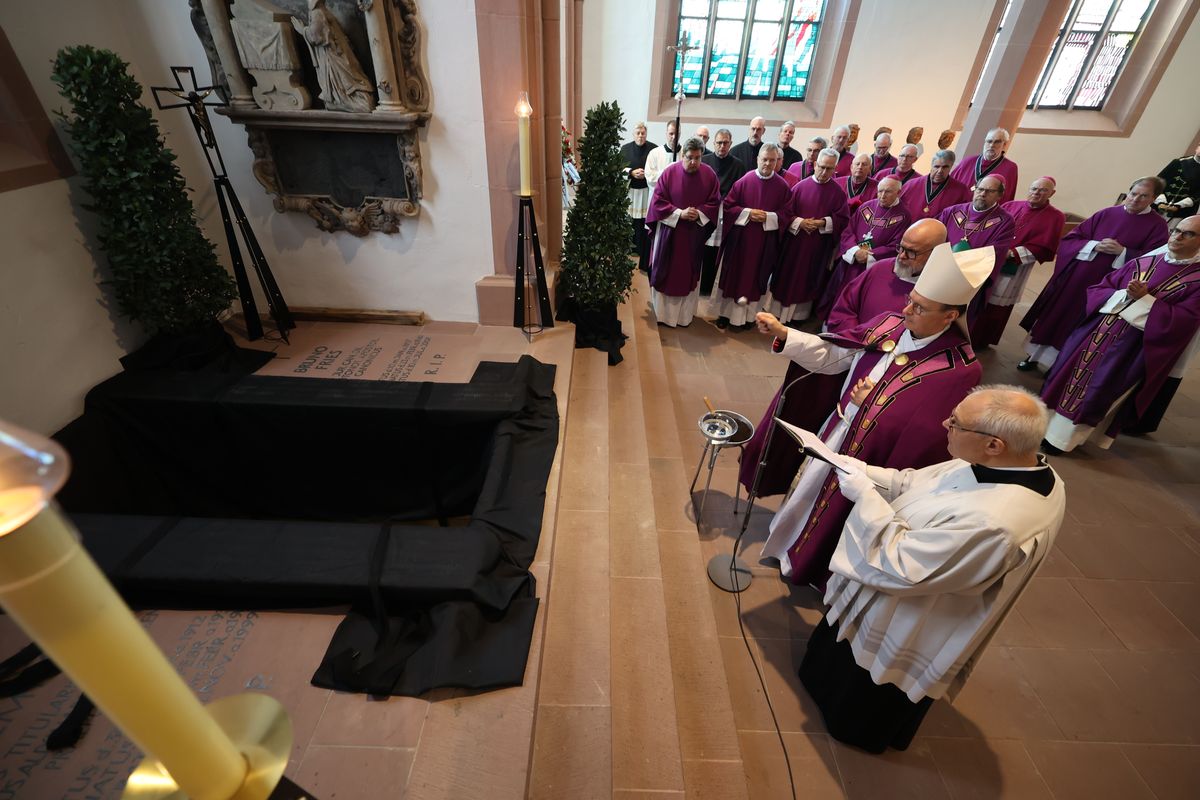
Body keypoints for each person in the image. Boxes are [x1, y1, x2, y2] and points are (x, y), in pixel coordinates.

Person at [800, 385, 1065, 754]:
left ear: (994, 444)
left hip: (917, 614)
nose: (944, 424)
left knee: (863, 688)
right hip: (903, 593)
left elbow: (901, 565)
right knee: (835, 659)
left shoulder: (996, 522)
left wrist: (864, 496)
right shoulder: (1003, 464)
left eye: (955, 423)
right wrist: (857, 470)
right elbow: (914, 485)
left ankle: (853, 727)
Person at [755, 243, 991, 588]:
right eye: (910, 299)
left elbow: (928, 434)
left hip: (873, 457)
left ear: (949, 316)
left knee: (837, 512)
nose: (907, 310)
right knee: (806, 492)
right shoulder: (889, 324)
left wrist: (873, 404)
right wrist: (785, 334)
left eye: (920, 307)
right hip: (838, 430)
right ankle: (786, 547)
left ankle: (814, 568)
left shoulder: (960, 368)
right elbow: (836, 355)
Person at [741, 220, 952, 499]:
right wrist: (861, 338)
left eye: (911, 252)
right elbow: (843, 315)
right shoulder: (880, 275)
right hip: (847, 367)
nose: (901, 256)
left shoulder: (945, 304)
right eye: (900, 247)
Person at [1039, 215, 1200, 453]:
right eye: (1176, 230)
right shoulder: (1146, 262)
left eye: (1189, 234)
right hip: (1097, 332)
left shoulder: (1196, 280)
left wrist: (1145, 300)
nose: (1177, 237)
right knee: (1065, 377)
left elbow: (1186, 321)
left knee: (1097, 390)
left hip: (1130, 347)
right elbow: (1102, 287)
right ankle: (1044, 427)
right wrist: (1123, 295)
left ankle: (1062, 440)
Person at [1019, 176, 1170, 370]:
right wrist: (1094, 245)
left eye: (1143, 196)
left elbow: (1154, 262)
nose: (1135, 199)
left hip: (1108, 287)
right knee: (1057, 315)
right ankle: (1034, 356)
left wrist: (1123, 252)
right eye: (1133, 193)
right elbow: (1071, 240)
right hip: (1077, 279)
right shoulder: (1107, 213)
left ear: (1153, 198)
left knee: (1081, 325)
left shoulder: (1157, 226)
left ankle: (1060, 367)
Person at [970, 177, 1065, 348]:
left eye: (1043, 190)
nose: (1037, 193)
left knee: (996, 304)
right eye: (1034, 188)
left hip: (1015, 265)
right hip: (990, 259)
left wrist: (1012, 253)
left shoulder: (1056, 217)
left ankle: (980, 341)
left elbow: (1046, 247)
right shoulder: (1010, 206)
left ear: (1052, 193)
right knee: (978, 297)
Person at [712, 144, 792, 330]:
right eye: (764, 159)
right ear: (757, 160)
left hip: (764, 244)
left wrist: (768, 217)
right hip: (740, 242)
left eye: (772, 160)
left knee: (756, 279)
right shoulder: (744, 181)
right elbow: (729, 207)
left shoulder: (782, 187)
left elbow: (787, 214)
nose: (768, 164)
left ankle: (749, 318)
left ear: (778, 162)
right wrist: (747, 213)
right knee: (734, 277)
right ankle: (725, 315)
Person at [765, 148, 850, 323]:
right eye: (822, 167)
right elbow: (785, 214)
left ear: (835, 169)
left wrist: (823, 223)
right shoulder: (800, 187)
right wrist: (800, 222)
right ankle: (777, 312)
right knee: (787, 276)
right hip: (794, 244)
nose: (824, 172)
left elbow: (842, 219)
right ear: (816, 164)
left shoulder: (838, 193)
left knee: (807, 279)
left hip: (817, 246)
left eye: (829, 169)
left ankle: (798, 316)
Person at [645, 137, 720, 327]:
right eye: (689, 157)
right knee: (667, 272)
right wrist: (679, 213)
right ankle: (663, 316)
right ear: (682, 155)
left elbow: (714, 202)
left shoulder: (709, 175)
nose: (693, 162)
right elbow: (657, 202)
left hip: (693, 235)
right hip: (670, 234)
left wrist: (699, 213)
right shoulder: (669, 173)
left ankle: (683, 317)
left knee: (688, 273)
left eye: (697, 158)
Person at [818, 176, 909, 321]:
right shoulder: (866, 207)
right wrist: (855, 251)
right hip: (851, 261)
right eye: (880, 191)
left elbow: (896, 246)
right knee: (839, 293)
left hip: (872, 268)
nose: (882, 195)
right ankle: (830, 323)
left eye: (888, 192)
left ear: (899, 192)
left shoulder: (904, 216)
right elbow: (848, 230)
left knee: (857, 300)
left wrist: (869, 255)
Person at [293, 0, 376, 113]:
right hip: (335, 52)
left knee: (345, 78)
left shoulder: (317, 12)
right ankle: (338, 101)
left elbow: (316, 37)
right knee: (343, 78)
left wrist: (302, 30)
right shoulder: (322, 10)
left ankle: (346, 101)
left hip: (333, 55)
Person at [699, 128, 749, 296]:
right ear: (713, 143)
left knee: (719, 251)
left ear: (730, 144)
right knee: (704, 248)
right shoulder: (704, 161)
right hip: (707, 212)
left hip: (726, 214)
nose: (722, 146)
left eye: (725, 143)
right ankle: (700, 285)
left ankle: (714, 287)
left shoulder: (738, 165)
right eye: (719, 142)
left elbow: (740, 192)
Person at [620, 122, 657, 271]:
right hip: (630, 190)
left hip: (646, 190)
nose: (640, 136)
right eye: (638, 133)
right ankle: (627, 247)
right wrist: (631, 172)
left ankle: (641, 248)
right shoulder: (625, 149)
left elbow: (657, 169)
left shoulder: (654, 149)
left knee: (642, 220)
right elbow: (618, 167)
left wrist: (646, 174)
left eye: (643, 133)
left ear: (646, 134)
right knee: (629, 219)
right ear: (633, 134)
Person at [951, 128, 1019, 203]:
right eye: (989, 141)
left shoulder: (1010, 168)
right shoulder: (967, 162)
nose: (992, 145)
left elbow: (1007, 198)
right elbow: (950, 186)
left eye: (997, 142)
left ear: (1004, 145)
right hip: (959, 207)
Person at [899, 150, 970, 221]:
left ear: (951, 167)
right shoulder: (910, 185)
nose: (940, 171)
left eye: (945, 167)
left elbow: (961, 220)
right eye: (937, 166)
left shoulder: (961, 192)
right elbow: (897, 210)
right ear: (931, 165)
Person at [1155, 143, 1200, 226]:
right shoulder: (1178, 162)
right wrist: (1161, 201)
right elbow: (1158, 181)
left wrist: (1179, 205)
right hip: (1159, 205)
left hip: (1182, 211)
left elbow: (1198, 194)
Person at [644, 119, 680, 191]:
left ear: (680, 134)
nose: (674, 137)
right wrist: (666, 172)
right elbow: (649, 177)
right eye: (671, 134)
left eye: (676, 134)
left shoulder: (686, 154)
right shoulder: (654, 153)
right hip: (660, 193)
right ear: (666, 134)